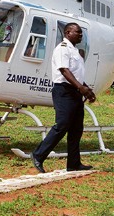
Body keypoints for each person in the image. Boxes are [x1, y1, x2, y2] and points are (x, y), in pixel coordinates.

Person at [31, 23, 96, 173]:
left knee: (76, 129)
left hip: (75, 92)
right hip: (64, 91)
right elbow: (64, 71)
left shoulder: (75, 51)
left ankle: (73, 163)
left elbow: (75, 74)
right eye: (77, 32)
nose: (81, 35)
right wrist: (80, 87)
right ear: (67, 32)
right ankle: (38, 155)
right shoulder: (62, 49)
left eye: (81, 33)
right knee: (62, 125)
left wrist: (86, 89)